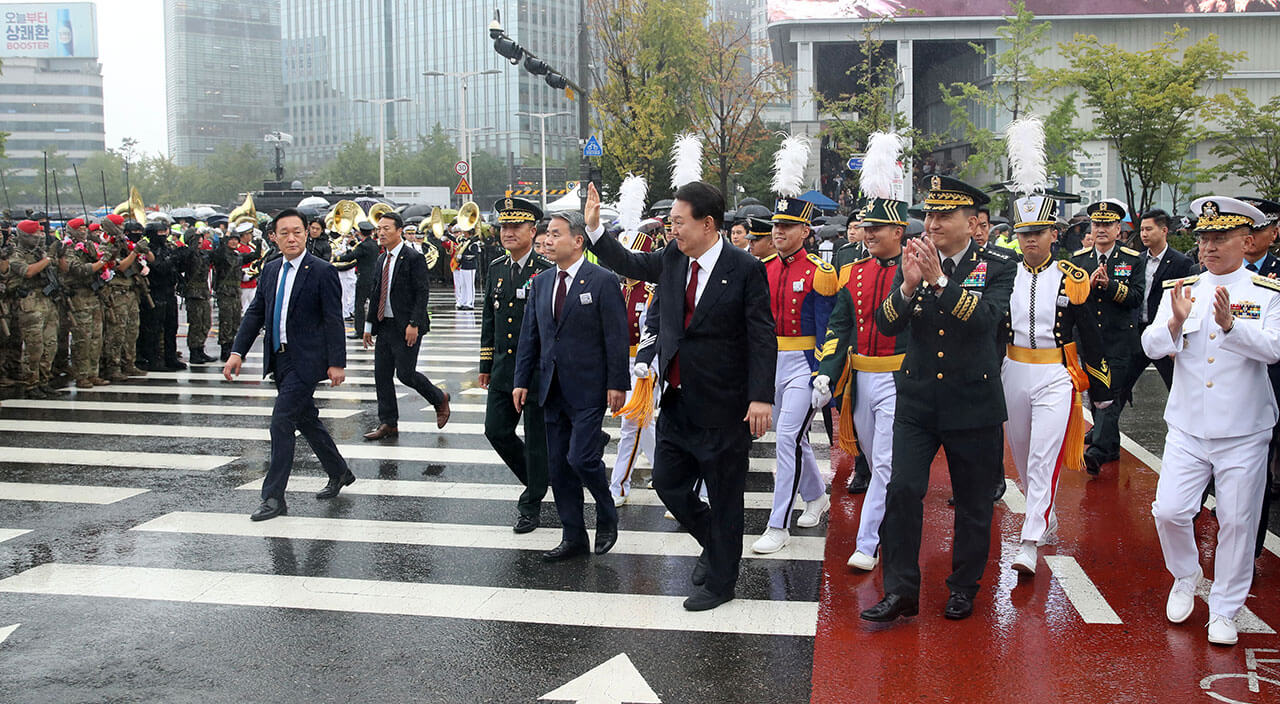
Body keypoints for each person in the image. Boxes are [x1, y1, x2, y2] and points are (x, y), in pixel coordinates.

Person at [584, 180, 776, 611]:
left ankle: (722, 582)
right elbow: (630, 262)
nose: (672, 230)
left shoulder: (745, 268)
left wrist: (760, 397)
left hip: (724, 405)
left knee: (726, 497)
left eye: (678, 222)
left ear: (708, 224)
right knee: (670, 485)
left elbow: (763, 336)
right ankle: (716, 542)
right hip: (677, 399)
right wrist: (596, 232)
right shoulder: (673, 258)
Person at [861, 175, 1015, 624]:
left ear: (973, 223)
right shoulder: (914, 260)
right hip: (918, 401)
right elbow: (886, 325)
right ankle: (901, 590)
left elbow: (984, 321)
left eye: (944, 215)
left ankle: (963, 587)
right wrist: (908, 286)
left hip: (973, 402)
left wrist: (940, 282)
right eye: (929, 214)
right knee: (903, 490)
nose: (932, 223)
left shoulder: (1000, 264)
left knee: (973, 501)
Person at [1144, 196, 1280, 646]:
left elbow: (1273, 349)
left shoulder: (1266, 294)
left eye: (1220, 238)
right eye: (1204, 238)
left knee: (1239, 522)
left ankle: (1225, 606)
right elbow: (1149, 346)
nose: (1209, 246)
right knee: (1169, 511)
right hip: (1187, 426)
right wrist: (1175, 326)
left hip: (1244, 430)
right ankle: (1185, 576)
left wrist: (1231, 326)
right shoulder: (1181, 289)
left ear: (1247, 240)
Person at [998, 193, 1113, 576]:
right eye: (1024, 232)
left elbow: (1091, 334)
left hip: (1055, 375)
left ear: (1053, 234)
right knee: (1022, 452)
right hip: (1013, 370)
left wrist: (1100, 390)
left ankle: (1028, 541)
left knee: (1042, 459)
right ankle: (1042, 516)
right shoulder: (1005, 273)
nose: (1030, 240)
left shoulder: (1070, 276)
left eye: (1038, 232)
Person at [512, 209, 629, 562]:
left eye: (556, 233)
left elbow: (616, 336)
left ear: (578, 241)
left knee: (582, 458)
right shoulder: (542, 282)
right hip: (551, 386)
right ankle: (573, 536)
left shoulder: (602, 280)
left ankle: (606, 512)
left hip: (589, 387)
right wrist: (521, 380)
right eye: (547, 233)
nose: (547, 239)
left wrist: (617, 383)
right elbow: (530, 336)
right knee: (559, 466)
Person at [223, 208, 353, 521]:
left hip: (306, 361)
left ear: (307, 233)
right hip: (279, 359)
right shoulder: (270, 269)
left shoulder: (321, 270)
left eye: (297, 231)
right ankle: (339, 471)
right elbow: (255, 313)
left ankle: (273, 498)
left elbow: (333, 319)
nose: (291, 238)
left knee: (281, 423)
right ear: (274, 237)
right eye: (285, 233)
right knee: (306, 419)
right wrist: (237, 352)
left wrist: (337, 362)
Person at [812, 194, 908, 572]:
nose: (868, 234)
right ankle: (893, 519)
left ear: (897, 231)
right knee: (872, 456)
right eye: (866, 227)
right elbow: (840, 324)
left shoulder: (914, 267)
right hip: (860, 378)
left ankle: (868, 542)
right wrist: (827, 371)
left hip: (899, 376)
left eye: (876, 228)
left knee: (884, 462)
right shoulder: (850, 272)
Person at [751, 194, 837, 555]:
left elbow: (827, 326)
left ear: (805, 230)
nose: (779, 231)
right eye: (776, 225)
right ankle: (816, 496)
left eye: (787, 226)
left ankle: (777, 525)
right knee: (792, 437)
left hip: (804, 363)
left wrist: (823, 374)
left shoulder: (820, 270)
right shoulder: (764, 267)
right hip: (771, 359)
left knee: (787, 438)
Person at [480, 198, 553, 533]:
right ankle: (539, 477)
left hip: (536, 371)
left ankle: (531, 503)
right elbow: (489, 319)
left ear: (532, 230)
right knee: (496, 430)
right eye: (503, 227)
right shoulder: (496, 267)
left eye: (515, 226)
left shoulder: (546, 270)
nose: (507, 232)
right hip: (503, 369)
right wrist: (485, 362)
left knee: (536, 438)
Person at [361, 211, 451, 440]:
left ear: (399, 231)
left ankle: (439, 398)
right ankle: (388, 423)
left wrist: (414, 323)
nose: (381, 233)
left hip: (407, 325)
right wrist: (368, 325)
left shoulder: (412, 257)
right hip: (385, 325)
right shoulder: (382, 259)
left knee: (405, 373)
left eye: (386, 229)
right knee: (381, 375)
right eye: (379, 229)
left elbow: (422, 292)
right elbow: (375, 292)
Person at [1071, 199, 1145, 475]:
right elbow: (1069, 300)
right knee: (1095, 391)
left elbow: (1136, 297)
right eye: (1097, 224)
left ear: (1118, 229)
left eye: (1107, 224)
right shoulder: (1078, 261)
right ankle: (1111, 444)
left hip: (1119, 340)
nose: (1101, 229)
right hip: (1090, 340)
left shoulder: (1132, 260)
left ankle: (1099, 451)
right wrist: (1088, 286)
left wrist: (1110, 285)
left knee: (1111, 395)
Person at [609, 222, 660, 506]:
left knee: (633, 424)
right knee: (644, 426)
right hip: (620, 363)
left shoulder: (650, 292)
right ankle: (666, 472)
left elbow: (652, 332)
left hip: (644, 364)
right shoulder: (616, 288)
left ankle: (619, 485)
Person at [1129, 209, 1193, 392]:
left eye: (1149, 229)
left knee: (1177, 386)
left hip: (1165, 331)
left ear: (1164, 230)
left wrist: (1180, 337)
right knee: (1120, 388)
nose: (1144, 234)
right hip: (1138, 332)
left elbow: (1186, 301)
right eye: (1142, 230)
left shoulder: (1181, 262)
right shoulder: (1137, 260)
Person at [58, 217, 110, 388]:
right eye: (79, 229)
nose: (83, 231)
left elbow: (99, 259)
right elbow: (79, 270)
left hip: (93, 295)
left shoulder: (88, 245)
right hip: (79, 296)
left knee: (96, 336)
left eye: (84, 228)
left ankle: (92, 373)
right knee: (82, 338)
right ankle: (81, 375)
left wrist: (104, 255)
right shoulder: (67, 248)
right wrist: (101, 262)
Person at [332, 221, 380, 340]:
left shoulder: (363, 246)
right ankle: (377, 328)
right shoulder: (374, 244)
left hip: (363, 278)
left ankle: (359, 331)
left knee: (359, 305)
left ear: (360, 232)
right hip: (373, 278)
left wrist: (336, 257)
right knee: (375, 305)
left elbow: (350, 257)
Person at [179, 225, 217, 364]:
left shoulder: (204, 254)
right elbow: (186, 260)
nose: (200, 241)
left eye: (200, 238)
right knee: (196, 324)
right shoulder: (187, 254)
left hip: (204, 293)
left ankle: (201, 349)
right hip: (193, 294)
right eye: (196, 238)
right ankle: (194, 352)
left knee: (205, 323)